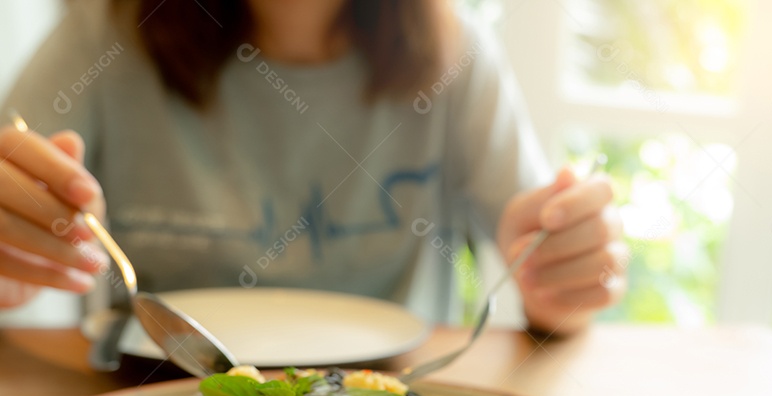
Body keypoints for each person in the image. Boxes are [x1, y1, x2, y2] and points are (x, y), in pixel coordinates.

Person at [0, 0, 626, 334]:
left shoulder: (458, 52)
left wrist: (559, 274)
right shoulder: (102, 32)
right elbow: (21, 187)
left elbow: (549, 277)